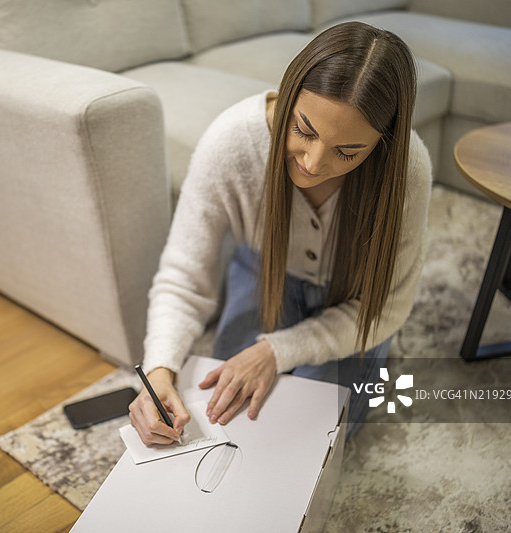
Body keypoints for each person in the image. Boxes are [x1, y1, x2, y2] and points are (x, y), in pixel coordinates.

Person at [128, 22, 432, 445]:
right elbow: (184, 275)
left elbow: (388, 306)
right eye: (304, 130)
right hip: (263, 271)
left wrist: (277, 352)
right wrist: (159, 370)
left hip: (355, 302)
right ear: (287, 96)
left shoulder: (407, 170)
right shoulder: (232, 142)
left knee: (306, 436)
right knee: (227, 416)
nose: (313, 162)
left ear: (383, 143)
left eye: (348, 152)